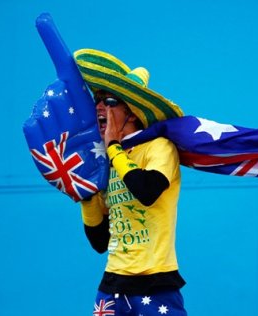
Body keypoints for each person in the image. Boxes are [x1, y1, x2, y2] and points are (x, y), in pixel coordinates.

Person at [74, 49, 187, 315]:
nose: (99, 106)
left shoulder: (159, 148)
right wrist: (85, 194)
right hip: (113, 282)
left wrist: (114, 149)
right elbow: (99, 241)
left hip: (156, 282)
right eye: (97, 100)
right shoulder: (104, 162)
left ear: (133, 112)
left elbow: (147, 190)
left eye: (110, 100)